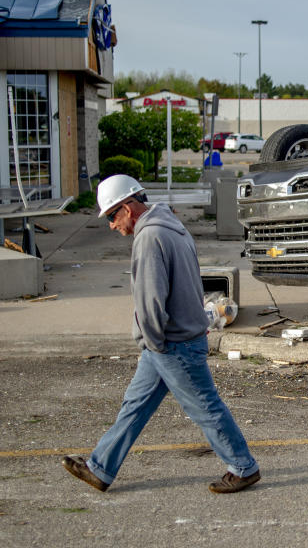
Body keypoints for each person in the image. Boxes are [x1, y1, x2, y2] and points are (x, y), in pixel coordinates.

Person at [61, 174, 260, 494]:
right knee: (135, 405)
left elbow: (151, 299)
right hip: (174, 338)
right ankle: (100, 468)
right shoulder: (169, 224)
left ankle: (243, 466)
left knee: (204, 407)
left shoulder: (150, 236)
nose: (112, 225)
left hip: (171, 342)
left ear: (127, 207)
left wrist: (151, 341)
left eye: (112, 216)